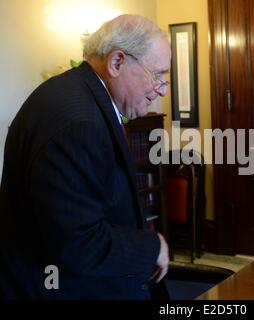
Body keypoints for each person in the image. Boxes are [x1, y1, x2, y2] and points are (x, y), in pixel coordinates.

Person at [0, 14, 171, 299]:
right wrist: (153, 246)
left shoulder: (76, 95)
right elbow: (78, 242)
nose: (161, 90)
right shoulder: (79, 122)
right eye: (158, 76)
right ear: (117, 62)